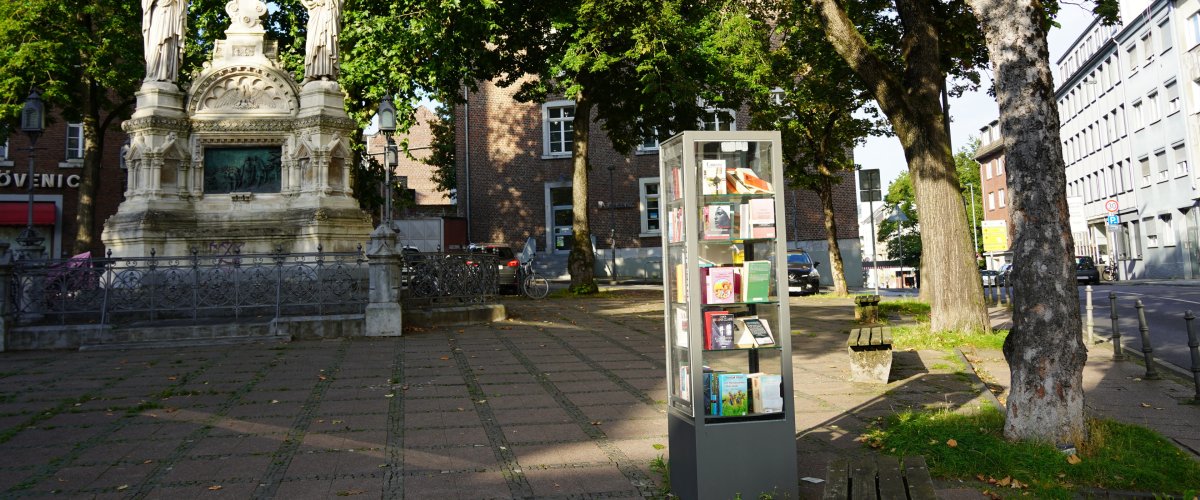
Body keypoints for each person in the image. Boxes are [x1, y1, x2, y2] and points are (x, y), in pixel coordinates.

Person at [142, 0, 185, 82]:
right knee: (156, 43)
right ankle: (153, 74)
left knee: (169, 45)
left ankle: (167, 75)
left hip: (173, 12)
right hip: (159, 12)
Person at [302, 0, 342, 81]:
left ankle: (325, 72)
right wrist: (315, 2)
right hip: (316, 11)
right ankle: (310, 74)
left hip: (328, 11)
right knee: (313, 43)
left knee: (326, 42)